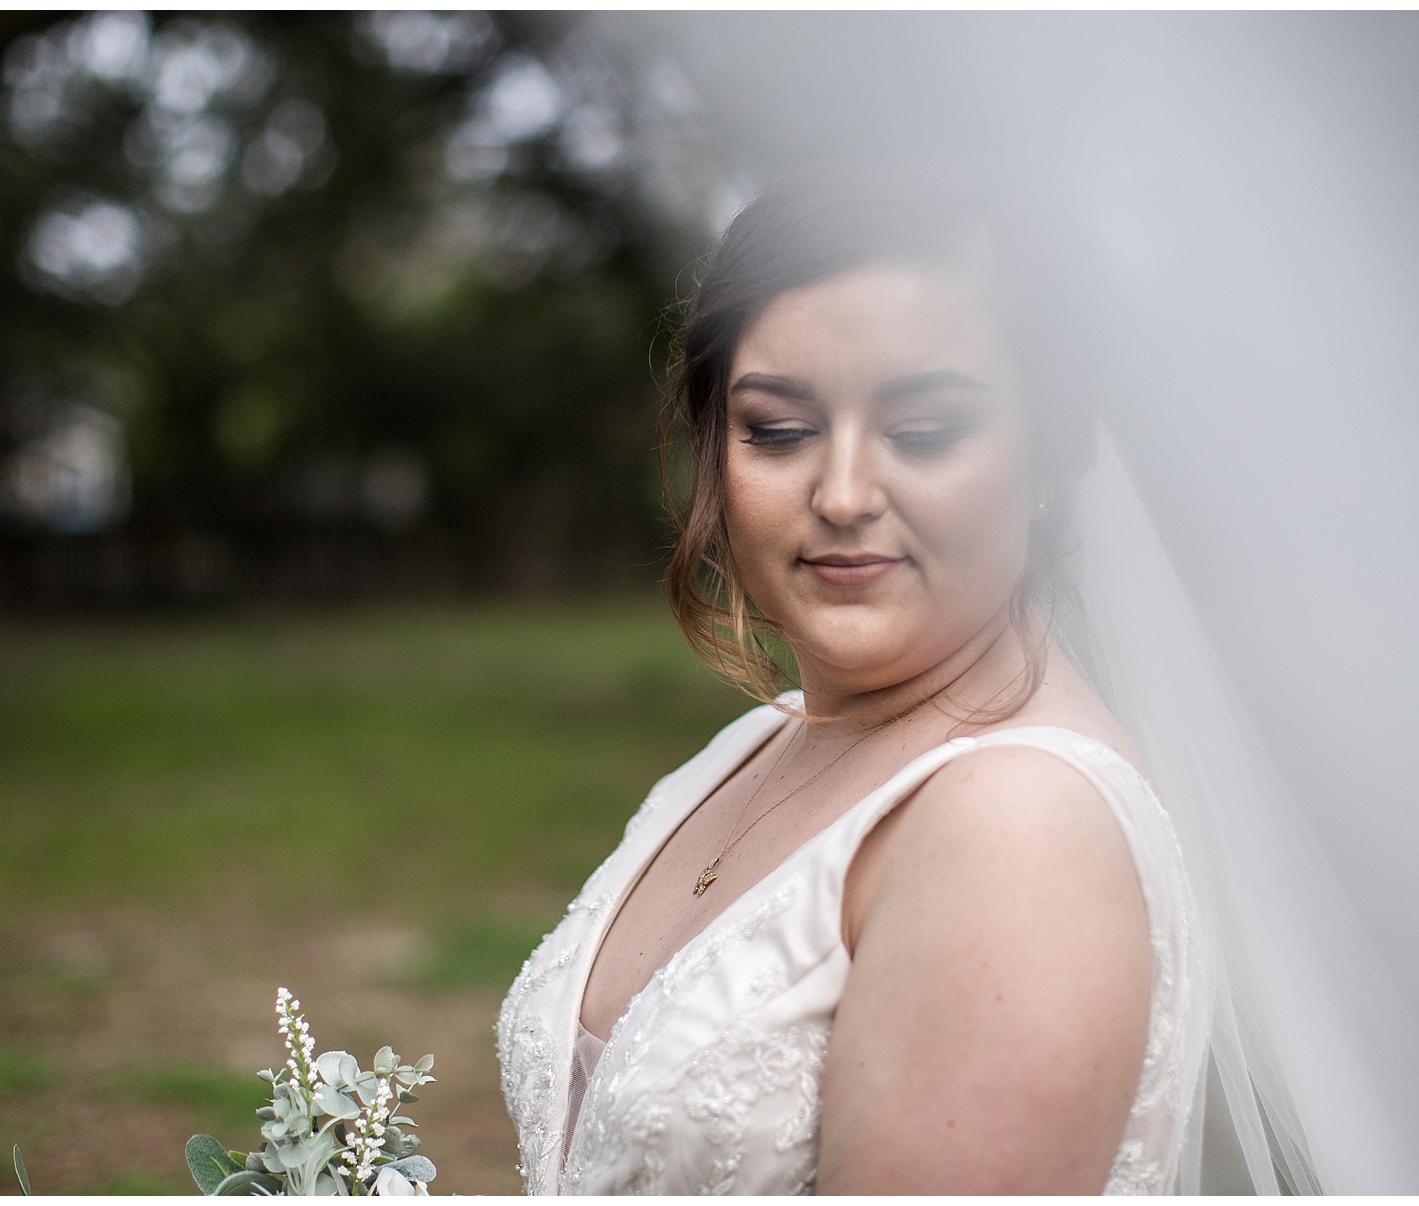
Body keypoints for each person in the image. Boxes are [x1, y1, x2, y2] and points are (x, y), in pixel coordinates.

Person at [497, 165, 1212, 1194]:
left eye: (923, 431)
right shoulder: (752, 744)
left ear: (1049, 461)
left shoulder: (1017, 828)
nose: (840, 494)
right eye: (779, 429)